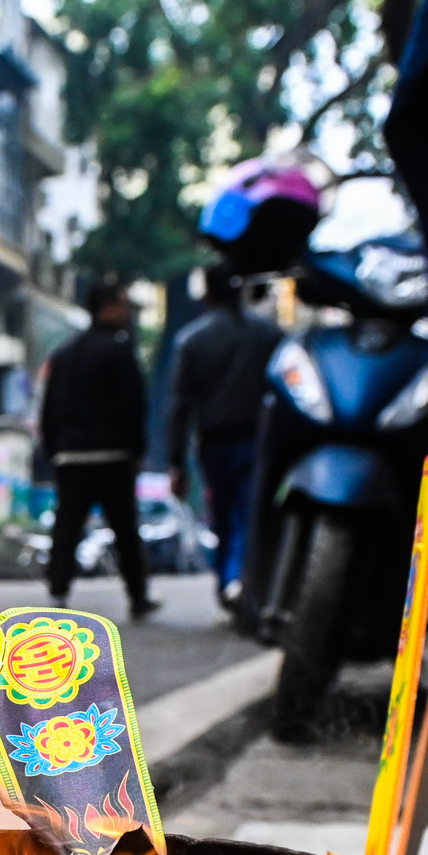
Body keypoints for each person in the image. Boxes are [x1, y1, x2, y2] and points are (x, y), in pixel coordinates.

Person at [39, 277, 159, 618]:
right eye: (123, 305)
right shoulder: (119, 351)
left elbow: (49, 411)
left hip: (71, 457)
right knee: (124, 530)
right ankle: (137, 596)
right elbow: (134, 406)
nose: (127, 313)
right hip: (112, 456)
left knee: (66, 528)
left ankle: (58, 591)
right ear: (108, 308)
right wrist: (136, 450)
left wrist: (54, 453)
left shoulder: (63, 355)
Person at [167, 264, 283, 607]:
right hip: (258, 440)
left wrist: (177, 461)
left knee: (223, 514)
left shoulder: (192, 340)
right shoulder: (269, 335)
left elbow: (179, 405)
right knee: (249, 512)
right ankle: (240, 581)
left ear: (208, 293)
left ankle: (229, 581)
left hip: (214, 442)